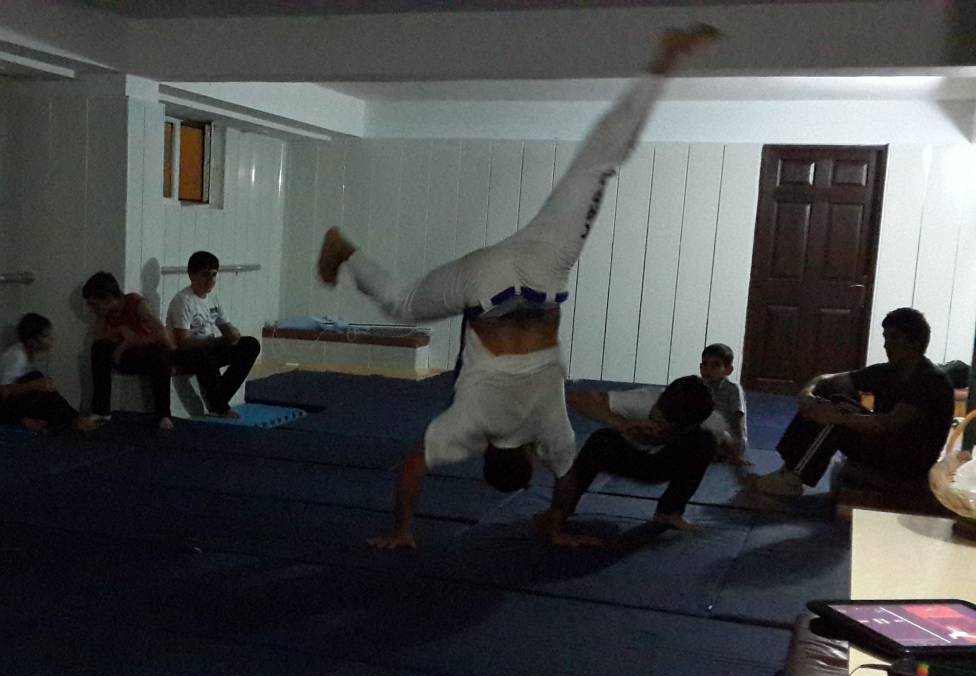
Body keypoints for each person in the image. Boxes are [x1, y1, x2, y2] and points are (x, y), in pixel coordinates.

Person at [316, 25, 720, 550]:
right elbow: (413, 467)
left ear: (527, 455)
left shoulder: (548, 428)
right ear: (486, 452)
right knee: (401, 302)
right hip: (488, 284)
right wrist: (402, 530)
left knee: (598, 164)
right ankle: (345, 251)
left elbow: (567, 476)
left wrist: (559, 525)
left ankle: (664, 63)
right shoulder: (467, 427)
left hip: (542, 277)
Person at [750, 307, 954, 497]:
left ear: (915, 343)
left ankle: (794, 479)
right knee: (829, 397)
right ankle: (788, 470)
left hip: (909, 460)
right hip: (887, 444)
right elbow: (826, 380)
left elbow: (888, 423)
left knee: (837, 412)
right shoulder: (887, 372)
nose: (886, 345)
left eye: (894, 338)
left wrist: (836, 416)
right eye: (885, 338)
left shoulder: (930, 381)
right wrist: (807, 394)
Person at [536, 376, 718, 546]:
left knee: (706, 441)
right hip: (629, 457)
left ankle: (669, 511)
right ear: (658, 404)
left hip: (661, 464)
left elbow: (729, 444)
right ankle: (561, 512)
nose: (661, 427)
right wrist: (620, 424)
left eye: (670, 427)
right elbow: (577, 398)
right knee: (600, 440)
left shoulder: (707, 420)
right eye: (659, 419)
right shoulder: (643, 400)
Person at [167, 251, 260, 418]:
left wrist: (233, 334)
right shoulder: (183, 301)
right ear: (192, 275)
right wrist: (214, 342)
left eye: (214, 275)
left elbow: (226, 327)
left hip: (208, 347)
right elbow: (183, 343)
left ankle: (219, 398)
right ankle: (220, 405)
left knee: (250, 345)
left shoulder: (213, 298)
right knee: (204, 356)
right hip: (187, 353)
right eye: (205, 275)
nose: (210, 280)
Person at [82, 271, 175, 430]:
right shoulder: (105, 313)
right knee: (98, 349)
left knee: (160, 354)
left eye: (94, 305)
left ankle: (163, 414)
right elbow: (98, 336)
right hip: (124, 356)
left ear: (109, 299)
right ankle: (101, 410)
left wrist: (127, 343)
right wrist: (120, 330)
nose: (91, 309)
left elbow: (161, 334)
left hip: (145, 352)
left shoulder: (137, 304)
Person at [0, 313, 99, 433]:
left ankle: (73, 419)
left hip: (8, 402)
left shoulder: (27, 354)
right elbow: (4, 391)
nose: (51, 340)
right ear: (32, 340)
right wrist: (35, 385)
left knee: (42, 386)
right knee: (36, 379)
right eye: (46, 336)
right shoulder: (17, 356)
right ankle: (74, 420)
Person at [698, 343, 748, 464]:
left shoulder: (733, 389)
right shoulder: (698, 387)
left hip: (728, 436)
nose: (708, 369)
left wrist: (736, 448)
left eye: (715, 365)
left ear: (728, 370)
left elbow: (737, 419)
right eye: (704, 364)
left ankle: (720, 454)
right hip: (705, 431)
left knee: (719, 436)